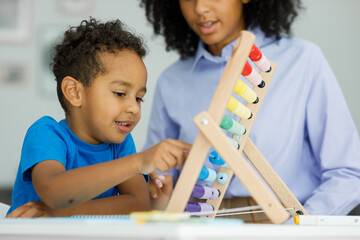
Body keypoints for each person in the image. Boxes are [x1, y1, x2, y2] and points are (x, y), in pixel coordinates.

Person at [140, 0, 360, 223]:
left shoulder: (303, 60)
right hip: (200, 225)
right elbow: (157, 179)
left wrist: (302, 226)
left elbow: (349, 172)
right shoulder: (172, 81)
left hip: (283, 222)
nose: (200, 8)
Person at [6, 17, 191, 218]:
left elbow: (138, 203)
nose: (134, 108)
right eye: (120, 93)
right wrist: (138, 162)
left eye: (139, 98)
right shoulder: (47, 133)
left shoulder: (120, 144)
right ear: (74, 92)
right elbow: (54, 192)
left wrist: (58, 213)